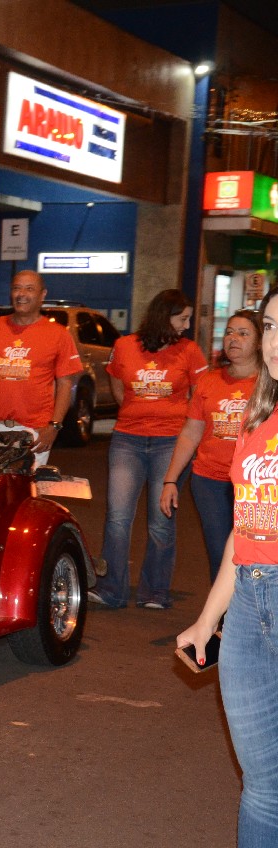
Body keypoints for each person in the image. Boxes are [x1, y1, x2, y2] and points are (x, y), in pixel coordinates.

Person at [177, 287, 278, 848]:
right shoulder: (256, 418)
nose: (273, 342)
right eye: (268, 326)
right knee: (262, 786)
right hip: (247, 608)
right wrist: (208, 620)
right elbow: (246, 530)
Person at [89, 289, 207, 610]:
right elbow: (117, 384)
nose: (186, 325)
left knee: (161, 519)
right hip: (127, 440)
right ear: (163, 316)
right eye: (182, 318)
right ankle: (111, 588)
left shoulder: (190, 351)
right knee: (117, 517)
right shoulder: (125, 346)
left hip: (171, 443)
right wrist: (136, 410)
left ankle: (155, 590)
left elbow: (200, 397)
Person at [159, 308, 261, 584]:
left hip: (255, 485)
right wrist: (170, 480)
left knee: (252, 552)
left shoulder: (269, 384)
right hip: (210, 480)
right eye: (229, 332)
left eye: (243, 333)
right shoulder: (209, 381)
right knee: (220, 552)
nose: (233, 339)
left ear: (260, 341)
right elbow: (191, 432)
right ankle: (225, 620)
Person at [0, 270, 82, 467]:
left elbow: (65, 384)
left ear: (42, 295)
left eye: (29, 289)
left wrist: (54, 427)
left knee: (27, 491)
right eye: (16, 288)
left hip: (36, 432)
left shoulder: (58, 334)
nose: (21, 294)